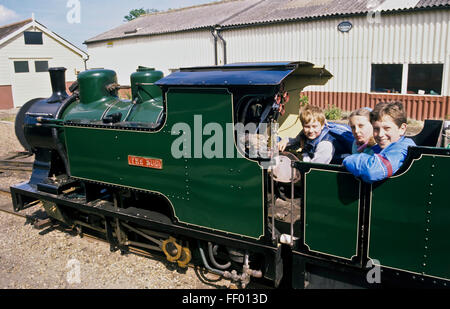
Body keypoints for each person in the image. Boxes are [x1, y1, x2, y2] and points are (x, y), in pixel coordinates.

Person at [343, 102, 416, 183]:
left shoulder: (402, 148)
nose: (380, 134)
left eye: (387, 128)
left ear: (402, 128)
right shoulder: (380, 147)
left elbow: (373, 171)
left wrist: (347, 159)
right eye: (376, 129)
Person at [278, 105, 348, 164]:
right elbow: (296, 141)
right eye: (307, 126)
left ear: (322, 126)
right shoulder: (305, 133)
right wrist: (286, 140)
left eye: (314, 126)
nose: (311, 130)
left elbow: (314, 167)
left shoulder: (325, 144)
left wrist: (302, 157)